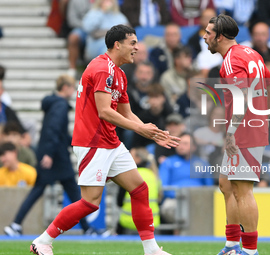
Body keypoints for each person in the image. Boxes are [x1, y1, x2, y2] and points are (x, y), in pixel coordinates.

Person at [29, 25, 180, 255]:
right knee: (90, 203)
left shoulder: (118, 73)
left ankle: (151, 250)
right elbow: (105, 112)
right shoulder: (102, 68)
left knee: (140, 190)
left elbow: (127, 113)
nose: (136, 48)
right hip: (93, 142)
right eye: (132, 43)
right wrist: (141, 129)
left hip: (110, 141)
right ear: (117, 44)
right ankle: (43, 240)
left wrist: (154, 132)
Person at [203, 14, 270, 255]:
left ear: (220, 36)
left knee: (243, 190)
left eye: (208, 33)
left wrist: (233, 132)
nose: (204, 37)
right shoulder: (251, 53)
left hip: (244, 131)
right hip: (251, 127)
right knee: (226, 184)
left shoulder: (231, 60)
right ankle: (232, 245)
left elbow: (242, 99)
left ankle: (250, 250)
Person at [4, 75, 99, 237]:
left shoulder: (53, 103)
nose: (73, 91)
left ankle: (16, 224)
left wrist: (75, 143)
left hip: (54, 153)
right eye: (72, 87)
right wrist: (49, 154)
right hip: (56, 157)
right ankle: (87, 229)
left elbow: (59, 134)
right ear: (65, 87)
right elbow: (53, 130)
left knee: (51, 190)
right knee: (71, 192)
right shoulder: (60, 105)